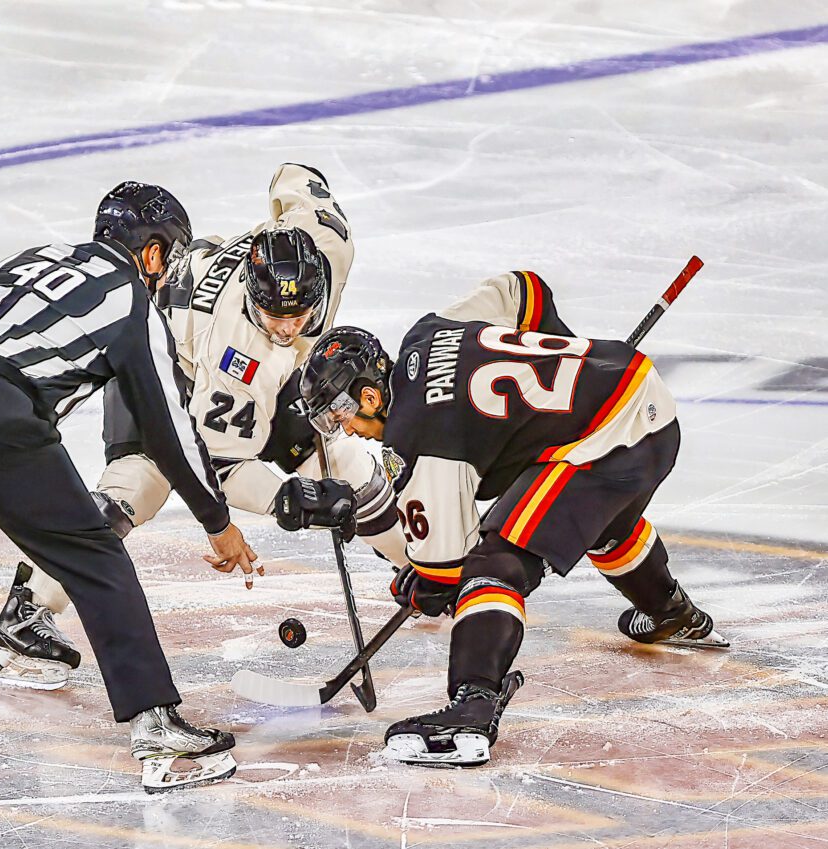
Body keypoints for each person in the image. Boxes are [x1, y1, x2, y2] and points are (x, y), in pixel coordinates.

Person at [0, 181, 258, 790]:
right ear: (151, 254)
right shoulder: (129, 299)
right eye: (168, 260)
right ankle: (158, 729)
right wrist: (218, 522)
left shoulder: (37, 255)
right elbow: (168, 431)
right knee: (94, 551)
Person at [0, 164, 408, 690]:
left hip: (259, 372)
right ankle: (25, 613)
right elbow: (216, 464)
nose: (290, 327)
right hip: (165, 368)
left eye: (300, 314)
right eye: (274, 316)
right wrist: (286, 500)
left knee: (342, 461)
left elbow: (293, 177)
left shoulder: (328, 243)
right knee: (139, 486)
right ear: (253, 300)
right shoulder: (235, 354)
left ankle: (424, 566)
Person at [289, 269, 726, 768]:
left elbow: (447, 569)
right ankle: (673, 614)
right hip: (636, 393)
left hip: (612, 438)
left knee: (495, 563)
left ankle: (472, 707)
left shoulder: (414, 443)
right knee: (601, 519)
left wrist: (427, 585)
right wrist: (557, 357)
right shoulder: (427, 332)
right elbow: (524, 289)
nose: (346, 430)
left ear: (367, 396)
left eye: (339, 416)